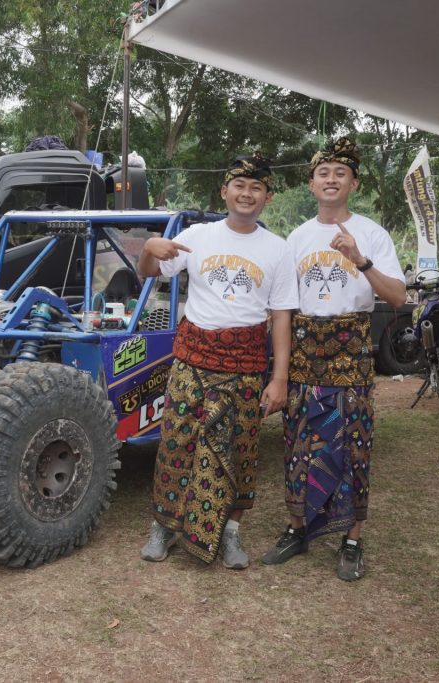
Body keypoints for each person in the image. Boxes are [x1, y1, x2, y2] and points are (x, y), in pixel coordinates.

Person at [137, 153, 300, 570]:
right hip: (192, 358)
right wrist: (148, 249)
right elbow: (149, 271)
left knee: (240, 450)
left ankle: (230, 532)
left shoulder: (278, 250)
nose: (247, 193)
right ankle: (163, 527)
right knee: (176, 443)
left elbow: (281, 316)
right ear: (224, 191)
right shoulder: (198, 236)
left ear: (268, 197)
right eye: (239, 185)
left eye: (256, 187)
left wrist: (279, 378)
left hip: (245, 364)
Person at [261, 137, 406, 581]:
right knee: (299, 442)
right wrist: (279, 373)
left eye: (340, 173)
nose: (331, 179)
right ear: (311, 184)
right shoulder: (297, 238)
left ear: (353, 184)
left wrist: (361, 260)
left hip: (351, 350)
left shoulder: (373, 234)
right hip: (306, 351)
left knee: (353, 445)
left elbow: (398, 297)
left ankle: (352, 539)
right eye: (323, 173)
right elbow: (283, 309)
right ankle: (298, 528)